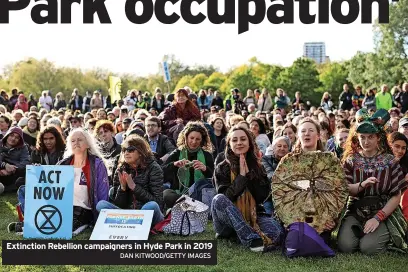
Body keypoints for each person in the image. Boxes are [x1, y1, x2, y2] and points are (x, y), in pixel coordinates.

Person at [337, 109, 408, 254]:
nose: (366, 141)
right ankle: (362, 232)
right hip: (356, 211)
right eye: (362, 137)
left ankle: (386, 235)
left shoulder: (390, 161)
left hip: (381, 210)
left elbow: (396, 196)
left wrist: (378, 218)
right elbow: (346, 188)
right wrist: (361, 185)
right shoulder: (351, 160)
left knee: (368, 248)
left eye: (370, 137)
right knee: (346, 247)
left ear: (378, 138)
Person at [212, 126, 284, 252]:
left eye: (243, 139)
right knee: (218, 199)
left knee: (277, 233)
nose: (239, 143)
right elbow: (226, 198)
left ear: (249, 143)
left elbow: (262, 197)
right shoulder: (222, 167)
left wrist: (250, 175)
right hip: (226, 221)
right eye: (234, 140)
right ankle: (251, 239)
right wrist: (241, 177)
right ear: (229, 144)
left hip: (254, 215)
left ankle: (242, 234)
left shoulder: (258, 166)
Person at [96, 135, 164, 227]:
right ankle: (132, 225)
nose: (126, 153)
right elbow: (120, 205)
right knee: (101, 205)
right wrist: (123, 189)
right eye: (124, 150)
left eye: (130, 150)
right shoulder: (120, 169)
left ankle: (134, 225)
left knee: (152, 206)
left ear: (140, 151)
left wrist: (134, 188)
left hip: (145, 212)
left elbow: (158, 202)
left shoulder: (154, 168)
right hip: (127, 215)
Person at [58, 128, 110, 231]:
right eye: (73, 141)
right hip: (64, 207)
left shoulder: (97, 164)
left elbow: (102, 192)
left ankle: (81, 222)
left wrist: (99, 217)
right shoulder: (63, 164)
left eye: (80, 140)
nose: (76, 143)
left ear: (88, 144)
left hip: (85, 209)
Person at [162, 122, 214, 209]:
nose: (194, 142)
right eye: (191, 138)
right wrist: (174, 164)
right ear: (185, 137)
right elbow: (161, 173)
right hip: (179, 194)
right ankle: (191, 205)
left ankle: (188, 205)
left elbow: (214, 179)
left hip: (200, 194)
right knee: (166, 193)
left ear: (202, 140)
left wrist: (205, 169)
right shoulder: (177, 153)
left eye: (198, 139)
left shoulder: (207, 155)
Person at [0, 127, 30, 193]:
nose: (13, 139)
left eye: (17, 137)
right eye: (11, 135)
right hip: (1, 171)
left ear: (20, 140)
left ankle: (8, 188)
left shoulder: (23, 147)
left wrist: (12, 168)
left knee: (25, 173)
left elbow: (25, 161)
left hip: (14, 173)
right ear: (7, 135)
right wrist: (5, 165)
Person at [387, 132, 408, 221]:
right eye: (397, 146)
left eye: (403, 148)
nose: (400, 151)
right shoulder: (380, 162)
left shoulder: (405, 163)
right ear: (389, 145)